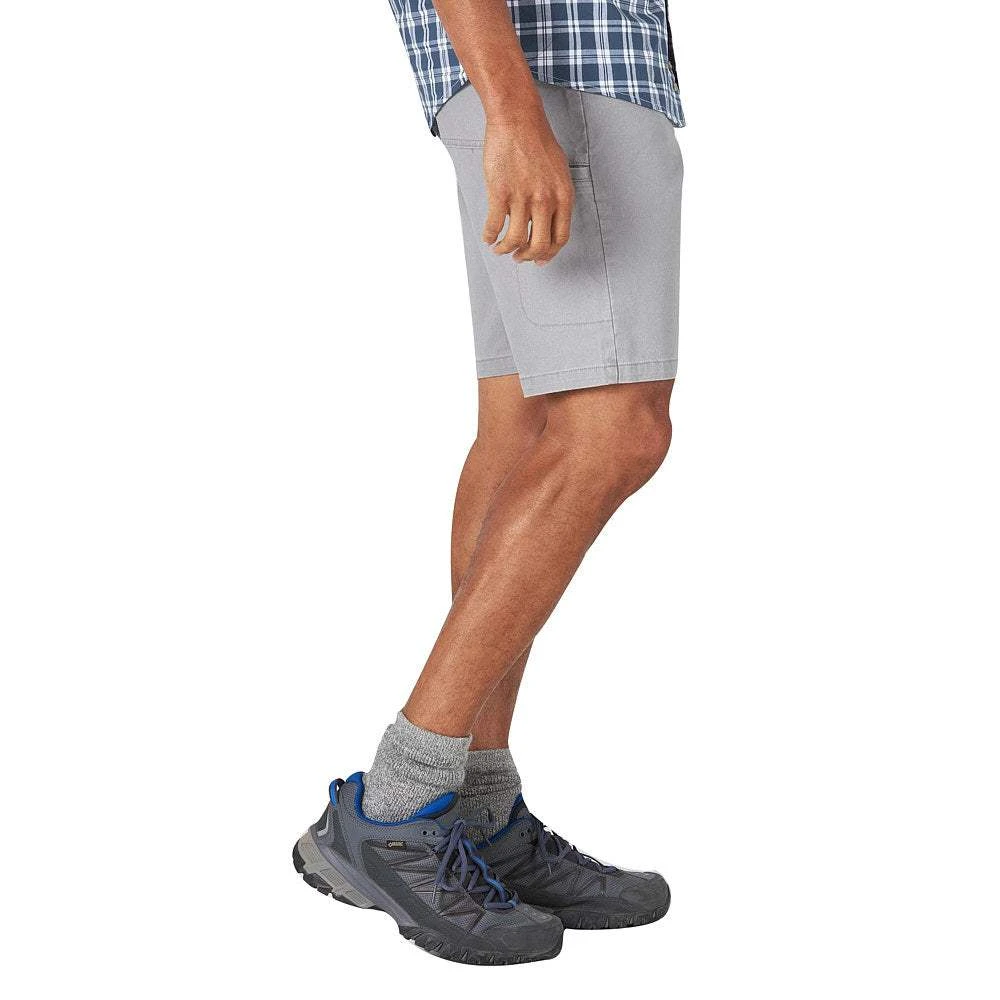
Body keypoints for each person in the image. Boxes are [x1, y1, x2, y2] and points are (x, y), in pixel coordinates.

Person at [293, 0, 685, 964]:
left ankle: (475, 808)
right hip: (562, 68)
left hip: (533, 73)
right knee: (614, 432)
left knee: (525, 430)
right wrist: (514, 110)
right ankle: (395, 805)